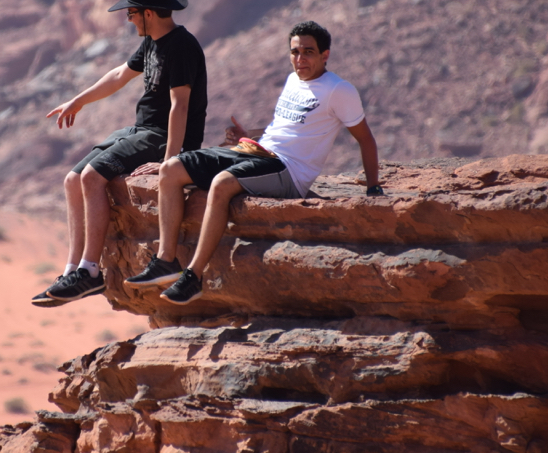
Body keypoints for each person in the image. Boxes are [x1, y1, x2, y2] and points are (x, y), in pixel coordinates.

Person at [125, 20, 382, 304]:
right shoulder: (293, 80)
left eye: (308, 52)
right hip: (256, 151)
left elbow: (365, 138)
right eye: (295, 52)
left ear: (325, 55)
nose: (300, 58)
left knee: (222, 184)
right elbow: (284, 128)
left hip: (288, 169)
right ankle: (165, 261)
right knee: (171, 168)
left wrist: (373, 188)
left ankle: (193, 277)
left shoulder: (339, 90)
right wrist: (248, 135)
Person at [32, 0, 207, 306]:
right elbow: (118, 75)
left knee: (91, 177)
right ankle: (72, 270)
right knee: (72, 180)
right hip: (140, 129)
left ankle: (90, 272)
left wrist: (170, 160)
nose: (128, 19)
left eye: (131, 13)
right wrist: (78, 101)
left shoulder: (182, 46)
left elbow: (180, 106)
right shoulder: (153, 41)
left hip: (161, 135)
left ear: (148, 13)